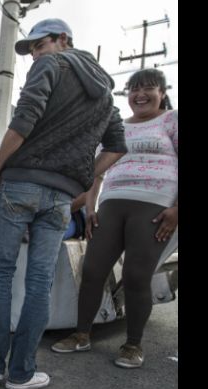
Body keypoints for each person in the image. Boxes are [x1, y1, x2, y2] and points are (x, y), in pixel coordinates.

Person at [0, 18, 127, 389]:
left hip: (20, 182)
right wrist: (87, 178)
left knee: (1, 275)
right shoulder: (105, 92)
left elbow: (23, 120)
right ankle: (21, 373)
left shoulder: (51, 65)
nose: (35, 53)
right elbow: (117, 145)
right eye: (33, 48)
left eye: (40, 44)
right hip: (61, 196)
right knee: (39, 281)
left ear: (62, 40)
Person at [51, 68, 177, 368]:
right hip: (111, 204)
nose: (140, 94)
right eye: (134, 89)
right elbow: (97, 171)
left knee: (136, 275)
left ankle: (133, 344)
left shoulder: (171, 120)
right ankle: (82, 335)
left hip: (155, 206)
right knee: (93, 270)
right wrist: (91, 209)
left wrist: (176, 210)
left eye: (149, 88)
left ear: (162, 93)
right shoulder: (116, 126)